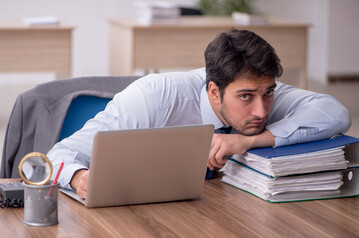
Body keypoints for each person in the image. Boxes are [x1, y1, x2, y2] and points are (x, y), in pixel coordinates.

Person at [47, 29, 351, 199]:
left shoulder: (259, 88)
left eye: (268, 93)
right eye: (246, 97)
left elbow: (335, 113)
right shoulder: (155, 97)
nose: (261, 110)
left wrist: (248, 142)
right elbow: (57, 156)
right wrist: (79, 177)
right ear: (214, 91)